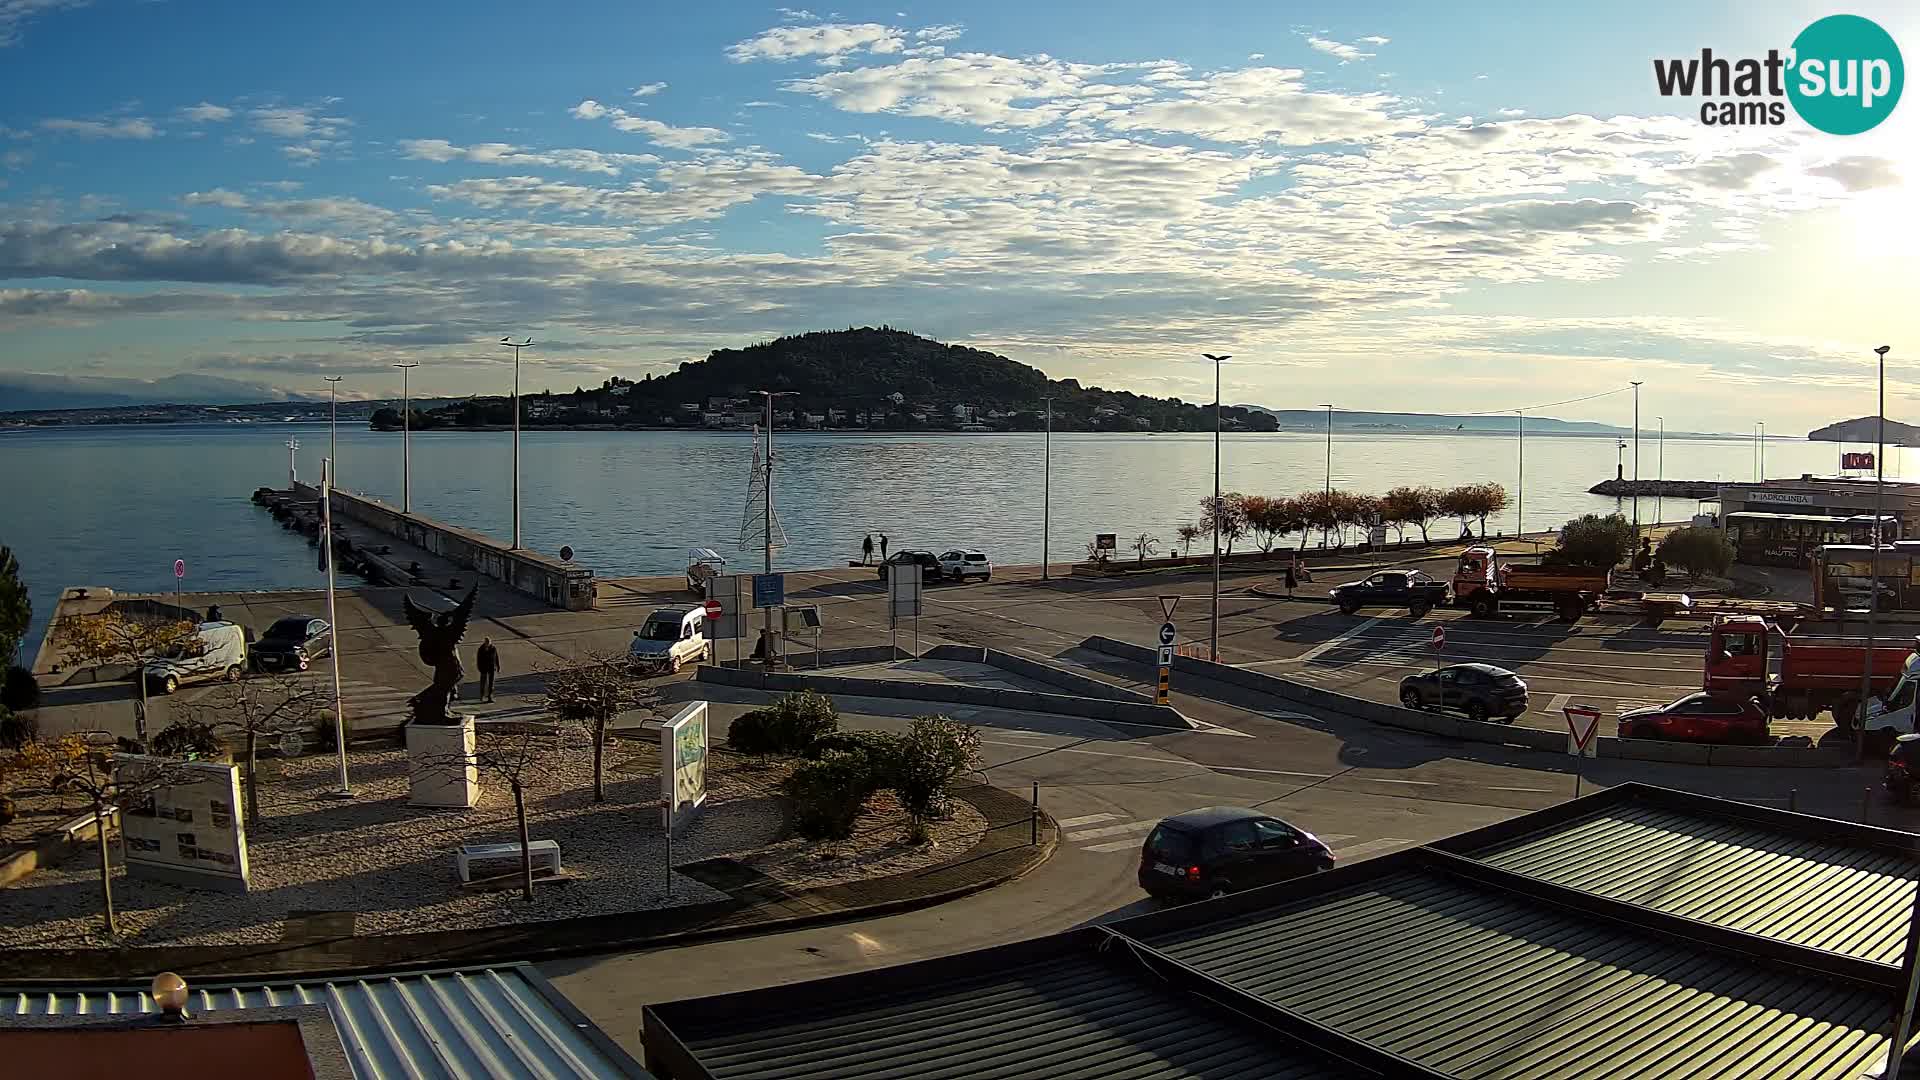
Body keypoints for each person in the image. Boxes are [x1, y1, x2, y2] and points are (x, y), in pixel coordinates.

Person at [477, 636, 500, 703]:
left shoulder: (493, 648)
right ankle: (482, 695)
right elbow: (479, 659)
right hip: (484, 668)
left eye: (489, 642)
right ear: (485, 642)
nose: (488, 643)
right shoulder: (481, 649)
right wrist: (479, 668)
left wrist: (498, 666)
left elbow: (496, 657)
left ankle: (490, 697)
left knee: (491, 683)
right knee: (483, 682)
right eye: (487, 642)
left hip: (492, 668)